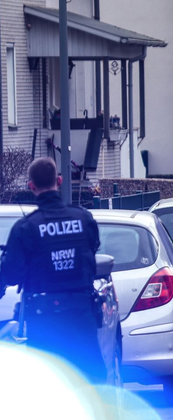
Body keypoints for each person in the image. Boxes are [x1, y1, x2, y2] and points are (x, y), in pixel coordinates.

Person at [0, 158, 105, 382]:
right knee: (92, 381)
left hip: (43, 318)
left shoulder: (25, 228)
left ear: (31, 187)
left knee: (48, 384)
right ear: (59, 180)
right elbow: (93, 250)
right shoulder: (83, 218)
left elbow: (10, 274)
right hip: (81, 315)